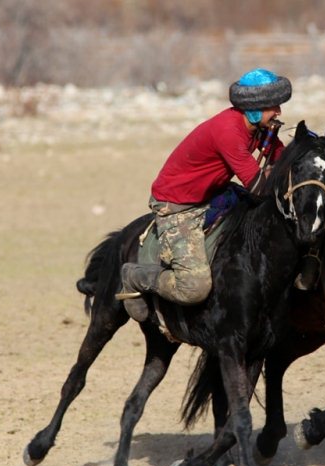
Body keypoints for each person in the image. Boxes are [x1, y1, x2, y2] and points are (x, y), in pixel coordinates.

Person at [116, 68, 291, 321]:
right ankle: (135, 276)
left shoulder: (261, 128)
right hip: (178, 205)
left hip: (214, 194)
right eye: (273, 106)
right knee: (193, 288)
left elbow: (281, 159)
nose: (279, 112)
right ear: (254, 108)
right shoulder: (228, 131)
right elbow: (259, 187)